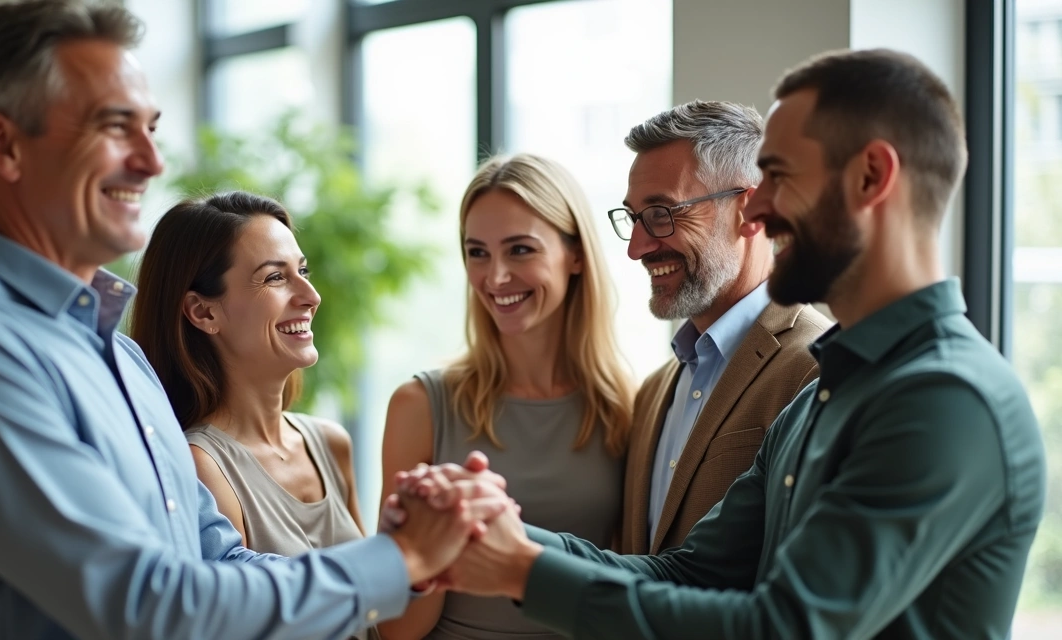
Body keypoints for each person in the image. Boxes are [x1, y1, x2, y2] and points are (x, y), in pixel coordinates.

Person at [0, 2, 504, 638]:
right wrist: (396, 559)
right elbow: (148, 606)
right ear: (5, 146)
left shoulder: (121, 356)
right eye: (115, 127)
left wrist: (402, 555)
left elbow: (217, 563)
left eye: (151, 128)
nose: (152, 161)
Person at [390, 48, 1047, 639]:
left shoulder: (943, 397)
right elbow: (689, 570)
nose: (756, 211)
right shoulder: (826, 392)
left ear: (871, 177)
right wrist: (497, 533)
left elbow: (785, 626)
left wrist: (522, 570)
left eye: (778, 177)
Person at [376, 153, 634, 640]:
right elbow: (397, 631)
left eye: (519, 250)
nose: (495, 278)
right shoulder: (420, 406)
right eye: (477, 252)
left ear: (576, 255)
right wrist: (425, 548)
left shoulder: (627, 409)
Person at [130, 192, 374, 639]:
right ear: (203, 311)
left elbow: (384, 625)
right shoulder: (200, 466)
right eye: (275, 278)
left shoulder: (329, 442)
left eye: (302, 271)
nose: (311, 296)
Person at [609, 101, 829, 554]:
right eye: (634, 217)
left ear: (750, 211)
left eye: (662, 213)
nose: (637, 248)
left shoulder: (818, 369)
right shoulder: (653, 393)